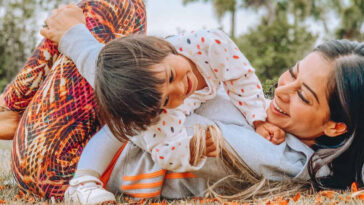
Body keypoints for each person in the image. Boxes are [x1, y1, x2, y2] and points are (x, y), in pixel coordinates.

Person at [3, 0, 364, 202]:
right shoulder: (275, 123)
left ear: (335, 125)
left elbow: (147, 118)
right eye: (292, 72)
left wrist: (77, 42)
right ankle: (16, 110)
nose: (282, 90)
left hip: (61, 162)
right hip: (85, 130)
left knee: (112, 8)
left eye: (302, 95)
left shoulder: (279, 157)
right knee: (125, 17)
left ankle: (12, 109)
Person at [39, 4, 287, 203]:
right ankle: (82, 181)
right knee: (123, 129)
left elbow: (240, 76)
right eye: (167, 98)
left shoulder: (209, 45)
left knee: (103, 64)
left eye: (170, 76)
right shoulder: (160, 113)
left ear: (160, 46)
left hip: (111, 61)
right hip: (120, 108)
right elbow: (165, 151)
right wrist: (192, 146)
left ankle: (69, 34)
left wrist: (258, 119)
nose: (180, 88)